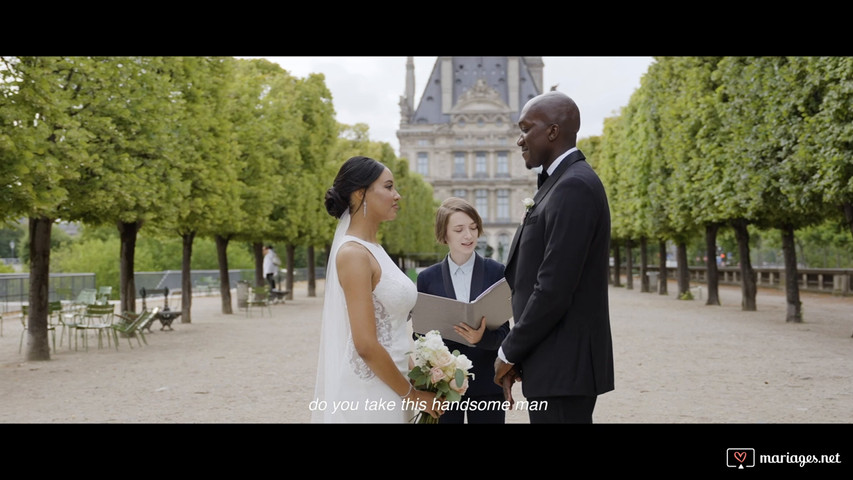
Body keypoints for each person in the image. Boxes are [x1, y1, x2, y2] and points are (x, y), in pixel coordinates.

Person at [493, 91, 614, 423]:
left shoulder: (572, 186)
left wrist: (509, 350)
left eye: (526, 128)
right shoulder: (559, 184)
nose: (519, 140)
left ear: (552, 131)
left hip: (564, 365)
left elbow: (553, 288)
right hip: (556, 362)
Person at [312, 155, 440, 423]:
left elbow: (391, 329)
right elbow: (366, 344)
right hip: (370, 390)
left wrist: (421, 379)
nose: (398, 195)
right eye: (389, 187)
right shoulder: (353, 254)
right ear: (361, 194)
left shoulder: (377, 251)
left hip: (396, 381)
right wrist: (412, 395)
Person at [416, 197, 509, 424]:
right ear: (444, 234)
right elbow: (419, 336)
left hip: (488, 384)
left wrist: (481, 338)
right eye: (459, 229)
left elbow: (506, 335)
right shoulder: (427, 279)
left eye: (473, 227)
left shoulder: (497, 272)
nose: (468, 235)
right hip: (444, 389)